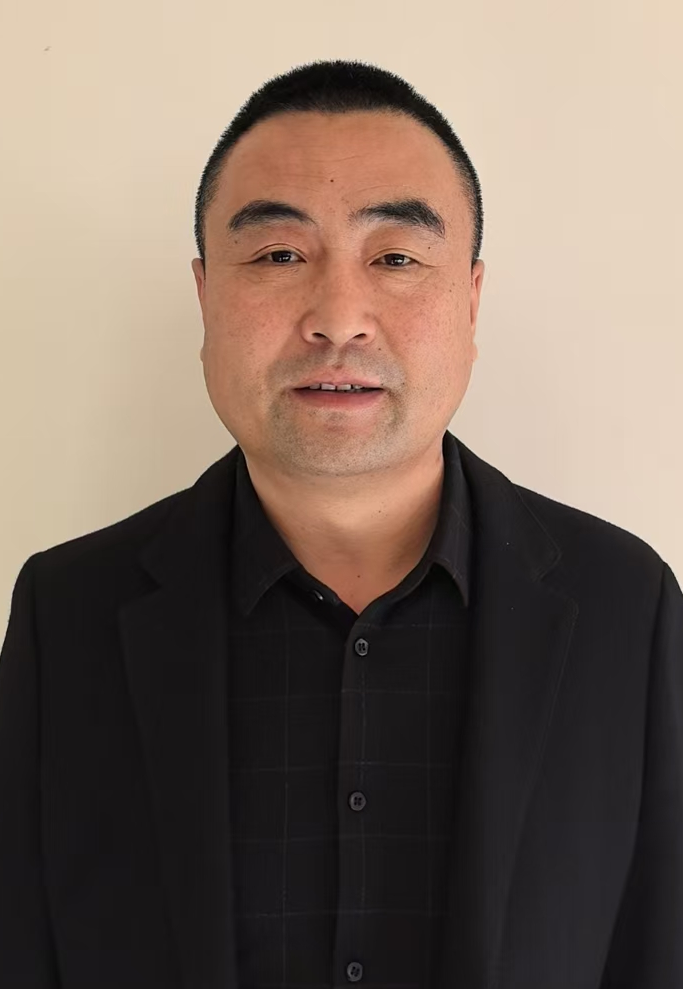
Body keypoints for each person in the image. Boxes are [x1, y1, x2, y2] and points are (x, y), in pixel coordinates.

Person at [0, 58, 681, 989]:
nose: (338, 318)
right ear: (204, 296)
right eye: (279, 255)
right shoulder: (68, 613)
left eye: (395, 258)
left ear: (470, 299)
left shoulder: (622, 607)